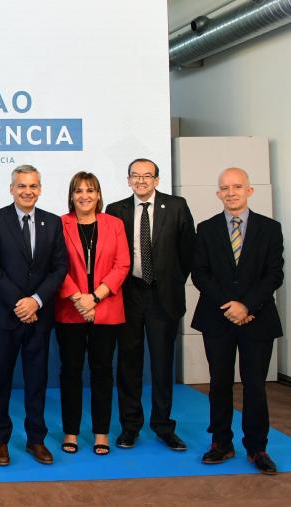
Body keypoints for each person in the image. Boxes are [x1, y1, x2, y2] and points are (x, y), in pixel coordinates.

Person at [191, 167, 284, 475]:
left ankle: (257, 448)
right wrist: (227, 305)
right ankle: (221, 443)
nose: (230, 192)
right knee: (219, 384)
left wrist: (246, 305)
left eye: (237, 186)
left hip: (257, 318)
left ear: (249, 190)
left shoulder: (270, 229)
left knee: (255, 385)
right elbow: (200, 273)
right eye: (225, 188)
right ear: (218, 194)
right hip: (217, 318)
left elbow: (274, 274)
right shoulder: (205, 229)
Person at [105, 158, 195, 451]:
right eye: (135, 176)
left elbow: (188, 252)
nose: (141, 181)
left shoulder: (177, 206)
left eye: (147, 176)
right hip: (128, 295)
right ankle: (130, 427)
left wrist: (171, 281)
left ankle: (163, 426)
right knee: (128, 365)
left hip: (163, 297)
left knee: (161, 364)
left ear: (157, 180)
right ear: (128, 180)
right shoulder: (115, 210)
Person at [0, 165, 67, 466]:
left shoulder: (53, 222)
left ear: (40, 189)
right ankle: (0, 441)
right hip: (6, 314)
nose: (27, 191)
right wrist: (20, 302)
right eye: (21, 186)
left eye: (33, 186)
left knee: (36, 381)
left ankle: (36, 440)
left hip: (39, 317)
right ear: (11, 189)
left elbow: (59, 268)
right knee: (1, 382)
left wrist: (36, 301)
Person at [55, 171, 130, 456]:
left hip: (106, 309)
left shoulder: (115, 224)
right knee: (70, 373)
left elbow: (122, 265)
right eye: (78, 191)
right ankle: (70, 431)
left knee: (102, 372)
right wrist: (78, 298)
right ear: (71, 195)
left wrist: (95, 297)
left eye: (90, 190)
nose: (84, 196)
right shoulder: (59, 224)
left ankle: (101, 433)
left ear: (99, 195)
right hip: (70, 310)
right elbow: (56, 265)